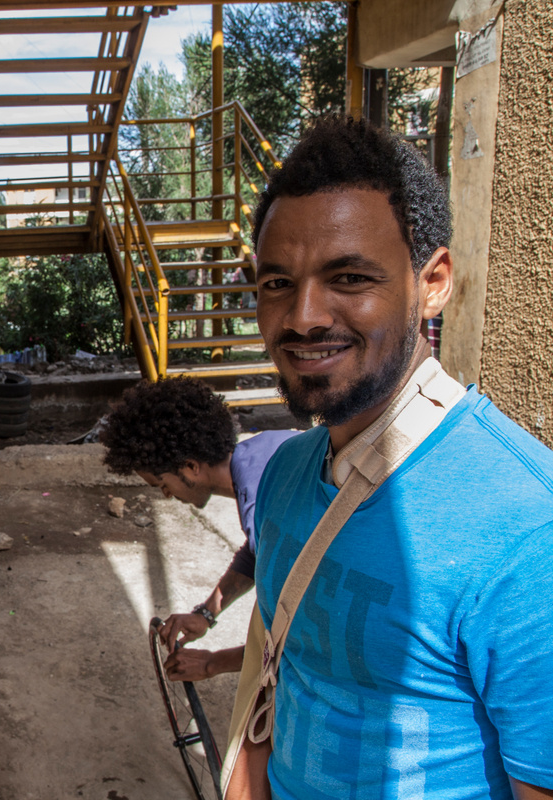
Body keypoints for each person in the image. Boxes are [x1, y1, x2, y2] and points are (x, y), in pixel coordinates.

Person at [248, 116, 553, 798]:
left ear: (434, 280)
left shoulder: (531, 529)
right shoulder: (285, 475)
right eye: (275, 284)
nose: (303, 316)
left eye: (349, 277)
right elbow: (277, 681)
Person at [98, 377, 297, 682]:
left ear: (190, 466)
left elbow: (300, 641)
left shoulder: (262, 502)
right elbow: (258, 552)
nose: (166, 494)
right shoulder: (266, 450)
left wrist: (212, 664)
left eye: (163, 484)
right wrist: (206, 613)